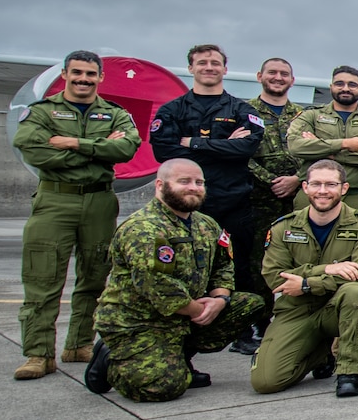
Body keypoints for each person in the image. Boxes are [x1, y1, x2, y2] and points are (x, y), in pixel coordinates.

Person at [84, 158, 265, 402]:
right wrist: (200, 310)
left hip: (186, 315)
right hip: (140, 322)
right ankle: (113, 357)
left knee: (251, 304)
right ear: (160, 185)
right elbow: (161, 289)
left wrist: (220, 299)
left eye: (199, 182)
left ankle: (176, 358)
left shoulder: (206, 225)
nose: (194, 187)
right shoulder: (143, 228)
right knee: (163, 387)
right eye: (184, 181)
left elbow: (223, 266)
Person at [11, 50, 142, 378]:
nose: (83, 79)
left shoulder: (115, 113)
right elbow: (34, 150)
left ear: (100, 77)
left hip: (98, 202)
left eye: (90, 74)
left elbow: (127, 148)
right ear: (66, 75)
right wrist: (98, 147)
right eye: (77, 73)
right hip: (55, 200)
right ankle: (39, 354)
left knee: (95, 277)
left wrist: (72, 143)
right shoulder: (43, 111)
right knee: (43, 279)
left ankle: (79, 343)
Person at [150, 44, 266, 340]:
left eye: (215, 63)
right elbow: (164, 150)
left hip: (234, 202)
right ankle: (186, 326)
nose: (209, 67)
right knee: (185, 265)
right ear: (191, 68)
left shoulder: (241, 110)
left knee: (240, 265)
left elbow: (247, 147)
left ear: (225, 69)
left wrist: (192, 144)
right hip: (187, 206)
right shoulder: (172, 110)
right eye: (202, 63)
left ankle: (242, 330)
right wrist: (224, 146)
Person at [249, 160, 358, 397]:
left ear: (344, 188)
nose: (323, 191)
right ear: (305, 187)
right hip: (297, 310)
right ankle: (319, 353)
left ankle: (349, 372)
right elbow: (274, 277)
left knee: (355, 291)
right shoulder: (284, 228)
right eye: (317, 184)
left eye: (331, 184)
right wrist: (330, 269)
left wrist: (305, 283)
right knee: (266, 382)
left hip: (340, 308)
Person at [241, 56, 301, 351]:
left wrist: (296, 179)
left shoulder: (302, 115)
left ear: (292, 80)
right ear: (259, 76)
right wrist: (270, 180)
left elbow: (314, 154)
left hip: (297, 198)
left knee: (298, 257)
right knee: (258, 261)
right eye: (272, 73)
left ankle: (292, 320)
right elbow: (239, 152)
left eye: (284, 74)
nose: (278, 77)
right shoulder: (244, 112)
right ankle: (257, 326)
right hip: (258, 199)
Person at [287, 65, 358, 213]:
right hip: (314, 196)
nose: (346, 88)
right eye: (339, 84)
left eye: (352, 85)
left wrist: (327, 153)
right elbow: (296, 146)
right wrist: (345, 144)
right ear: (331, 87)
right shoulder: (311, 116)